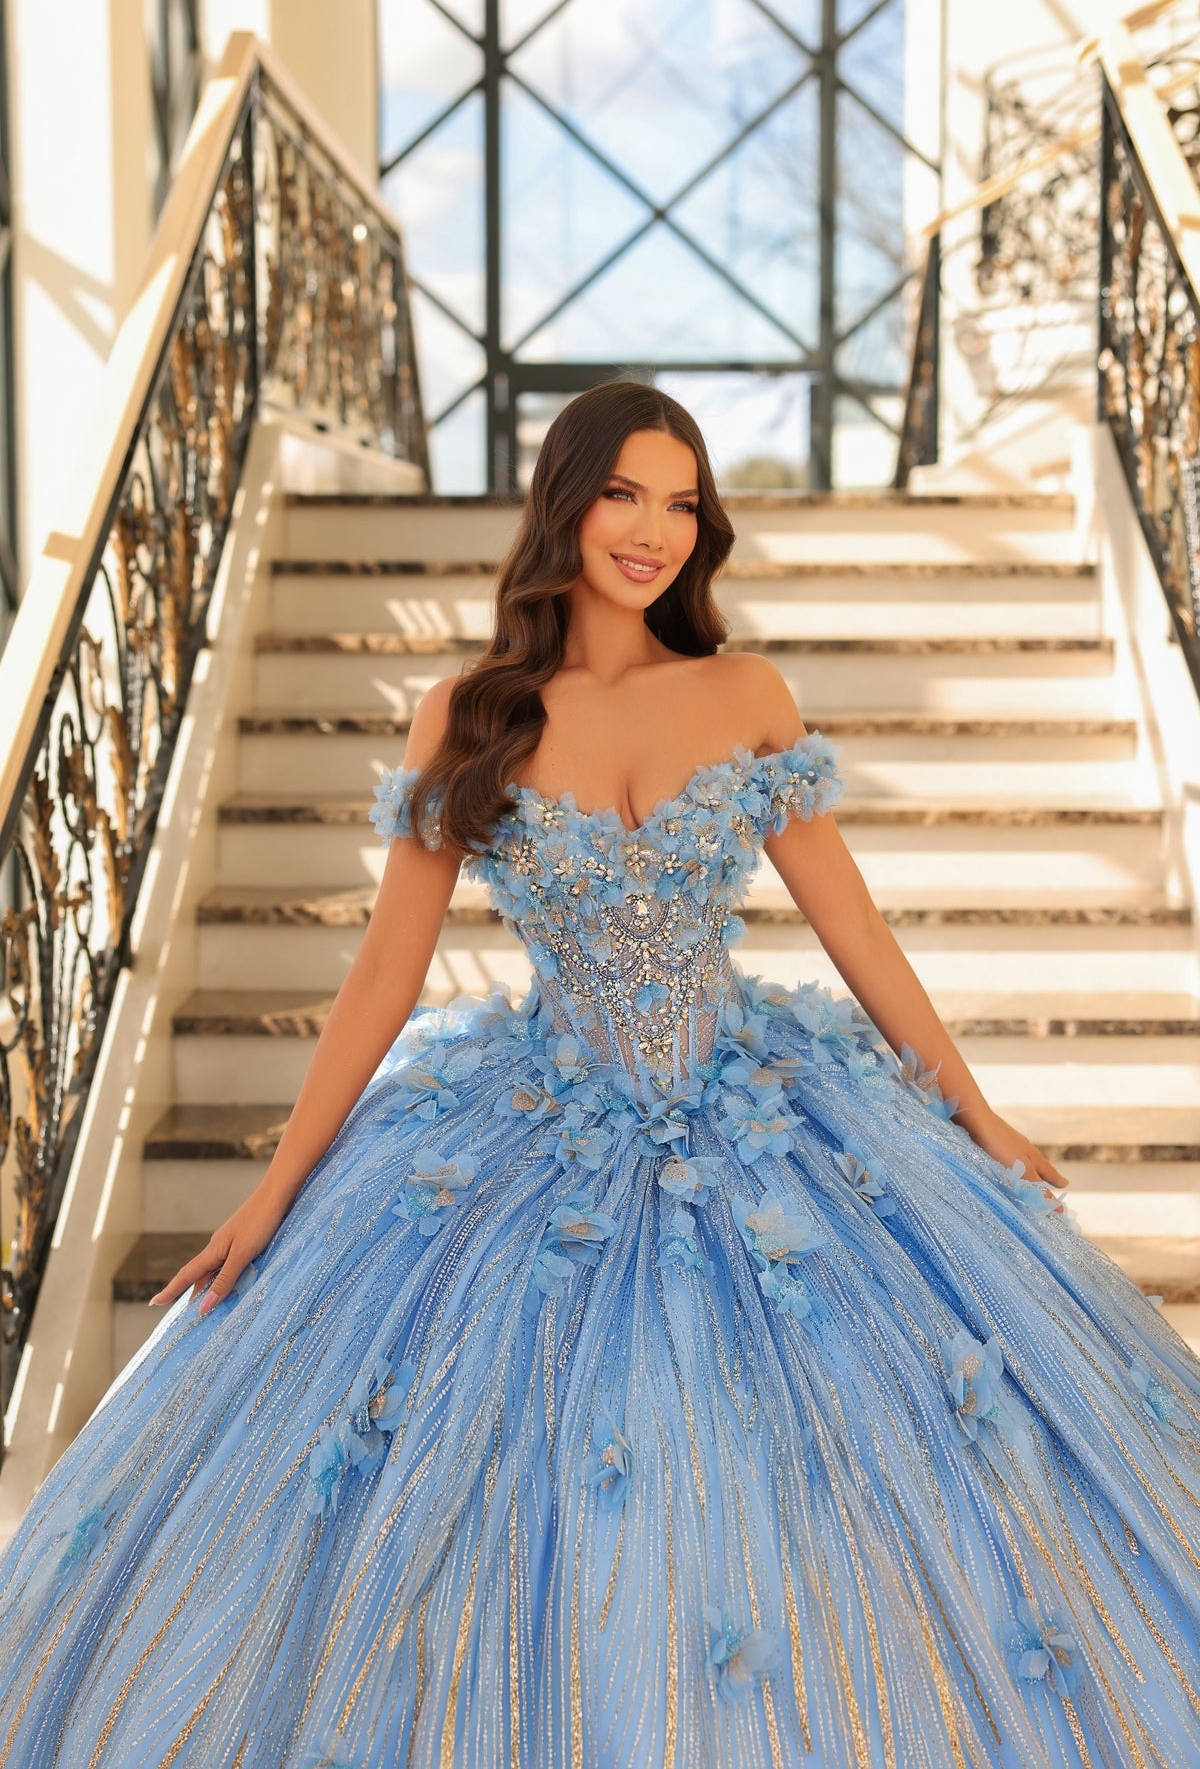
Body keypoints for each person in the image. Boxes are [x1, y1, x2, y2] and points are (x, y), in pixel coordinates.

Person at [1, 381, 1198, 1769]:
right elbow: (385, 975)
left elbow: (851, 923)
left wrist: (976, 1111)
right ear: (563, 502)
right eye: (626, 493)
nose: (656, 531)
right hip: (535, 1132)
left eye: (683, 502)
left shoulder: (743, 693)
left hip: (760, 1123)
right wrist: (278, 1189)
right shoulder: (470, 714)